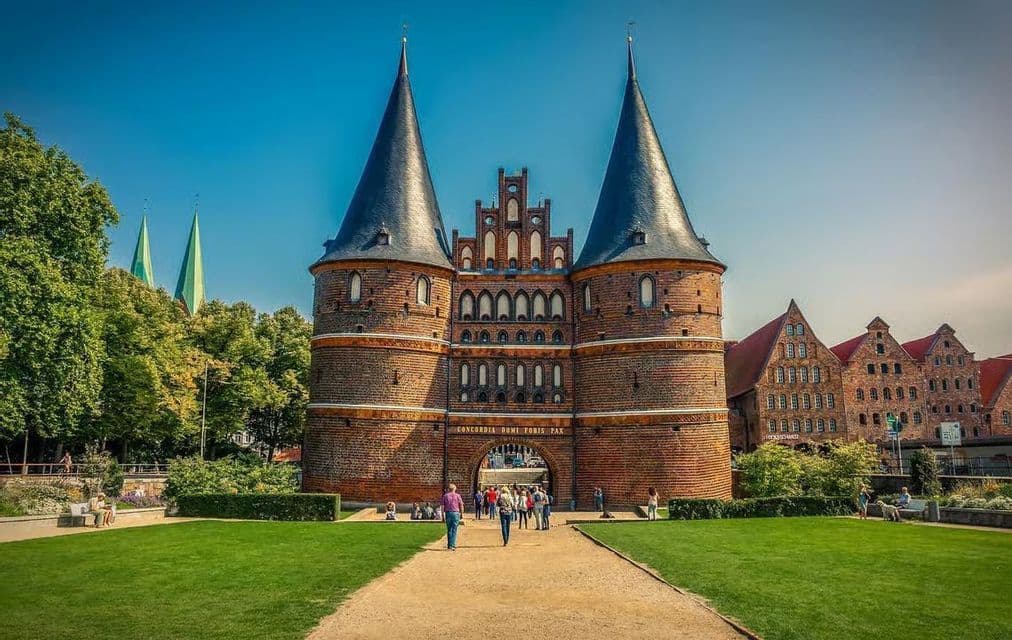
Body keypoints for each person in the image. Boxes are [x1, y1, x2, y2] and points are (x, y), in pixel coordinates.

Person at [441, 484, 464, 550]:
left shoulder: (445, 496)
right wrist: (461, 513)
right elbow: (461, 505)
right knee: (454, 529)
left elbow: (442, 506)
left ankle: (449, 545)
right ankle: (452, 545)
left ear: (449, 489)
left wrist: (442, 515)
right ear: (454, 489)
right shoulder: (458, 496)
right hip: (455, 513)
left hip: (448, 513)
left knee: (449, 529)